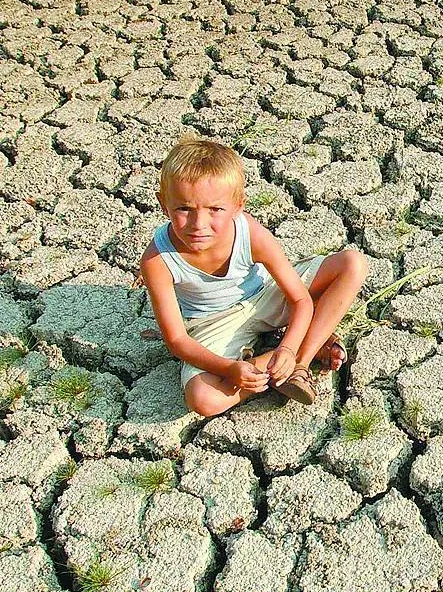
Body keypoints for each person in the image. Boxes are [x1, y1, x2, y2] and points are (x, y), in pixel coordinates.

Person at [139, 135, 367, 416]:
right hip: (212, 323)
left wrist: (288, 350)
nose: (199, 224)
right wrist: (230, 370)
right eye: (184, 209)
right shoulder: (157, 259)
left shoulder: (250, 233)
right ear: (164, 205)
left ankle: (299, 364)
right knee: (203, 399)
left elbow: (299, 299)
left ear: (238, 206)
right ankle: (302, 348)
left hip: (265, 295)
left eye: (215, 210)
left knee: (352, 263)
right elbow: (177, 341)